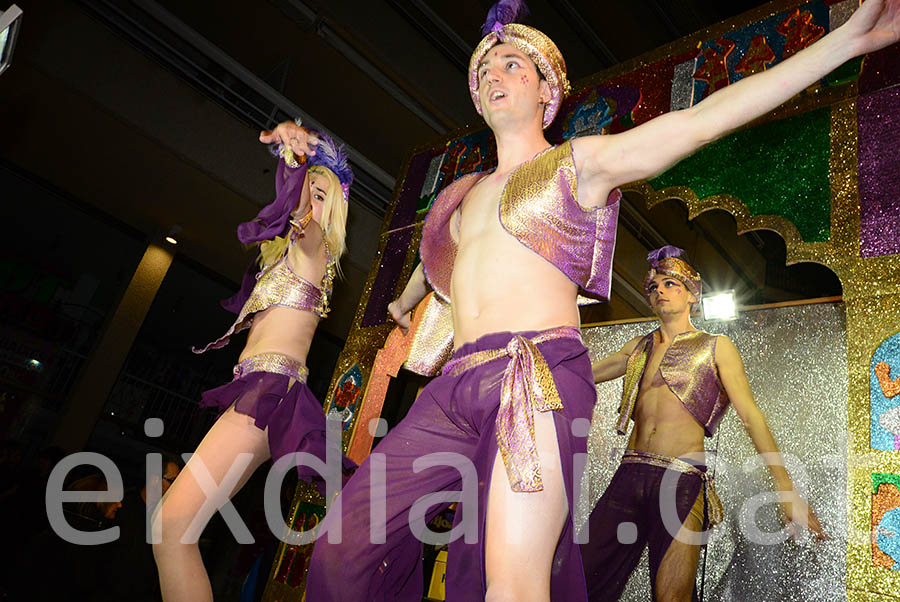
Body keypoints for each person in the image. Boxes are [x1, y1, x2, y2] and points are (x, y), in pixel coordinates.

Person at [307, 1, 898, 600]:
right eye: (483, 68)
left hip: (530, 377)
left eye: (510, 63)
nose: (491, 73)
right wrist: (402, 303)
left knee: (510, 582)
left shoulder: (574, 165)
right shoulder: (460, 198)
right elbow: (437, 267)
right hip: (449, 390)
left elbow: (698, 124)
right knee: (340, 546)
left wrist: (845, 42)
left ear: (547, 92)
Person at [152, 120, 356, 602]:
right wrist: (293, 156)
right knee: (174, 528)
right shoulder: (287, 257)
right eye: (312, 192)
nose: (311, 200)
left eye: (323, 196)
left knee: (170, 527)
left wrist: (299, 155)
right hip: (260, 393)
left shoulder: (315, 250)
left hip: (269, 393)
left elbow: (299, 207)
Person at [581, 247, 826, 601]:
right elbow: (583, 376)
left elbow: (751, 416)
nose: (659, 291)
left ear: (693, 294)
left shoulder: (716, 347)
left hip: (680, 480)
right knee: (579, 581)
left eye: (670, 284)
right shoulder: (639, 348)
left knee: (672, 595)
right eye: (653, 287)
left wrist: (786, 490)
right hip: (630, 473)